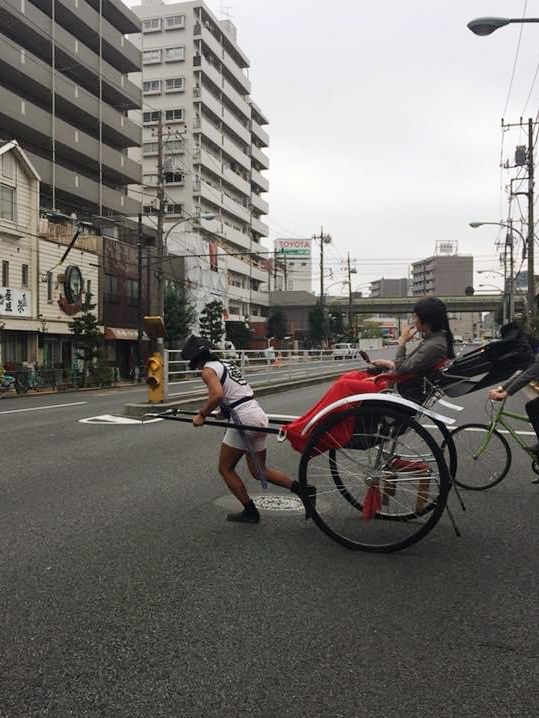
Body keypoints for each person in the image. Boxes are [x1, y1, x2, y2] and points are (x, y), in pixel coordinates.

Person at [181, 335, 316, 524]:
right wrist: (223, 412)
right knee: (259, 469)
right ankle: (303, 490)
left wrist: (202, 414)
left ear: (196, 359)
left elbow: (218, 394)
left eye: (193, 364)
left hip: (244, 419)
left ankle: (250, 511)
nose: (195, 368)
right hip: (258, 414)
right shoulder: (226, 365)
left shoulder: (207, 370)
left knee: (225, 468)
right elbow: (234, 393)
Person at [370, 296, 455, 403]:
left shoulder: (434, 345)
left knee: (344, 383)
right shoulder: (433, 341)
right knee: (353, 376)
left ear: (425, 319)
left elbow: (401, 369)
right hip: (399, 383)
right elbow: (408, 365)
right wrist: (387, 363)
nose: (413, 321)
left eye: (415, 317)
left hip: (397, 388)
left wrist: (402, 342)